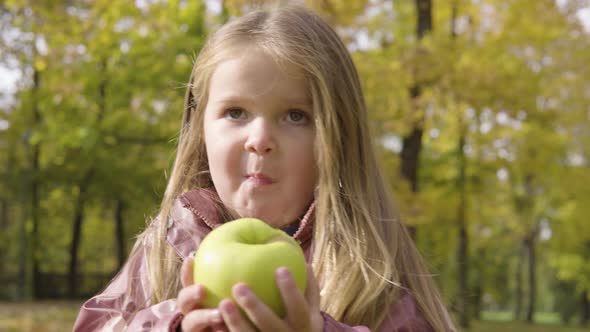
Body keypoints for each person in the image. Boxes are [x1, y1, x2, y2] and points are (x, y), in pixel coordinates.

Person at [73, 5, 456, 332]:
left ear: (338, 138)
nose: (260, 138)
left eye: (295, 116)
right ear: (200, 129)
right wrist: (173, 322)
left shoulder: (369, 268)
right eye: (235, 112)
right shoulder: (168, 246)